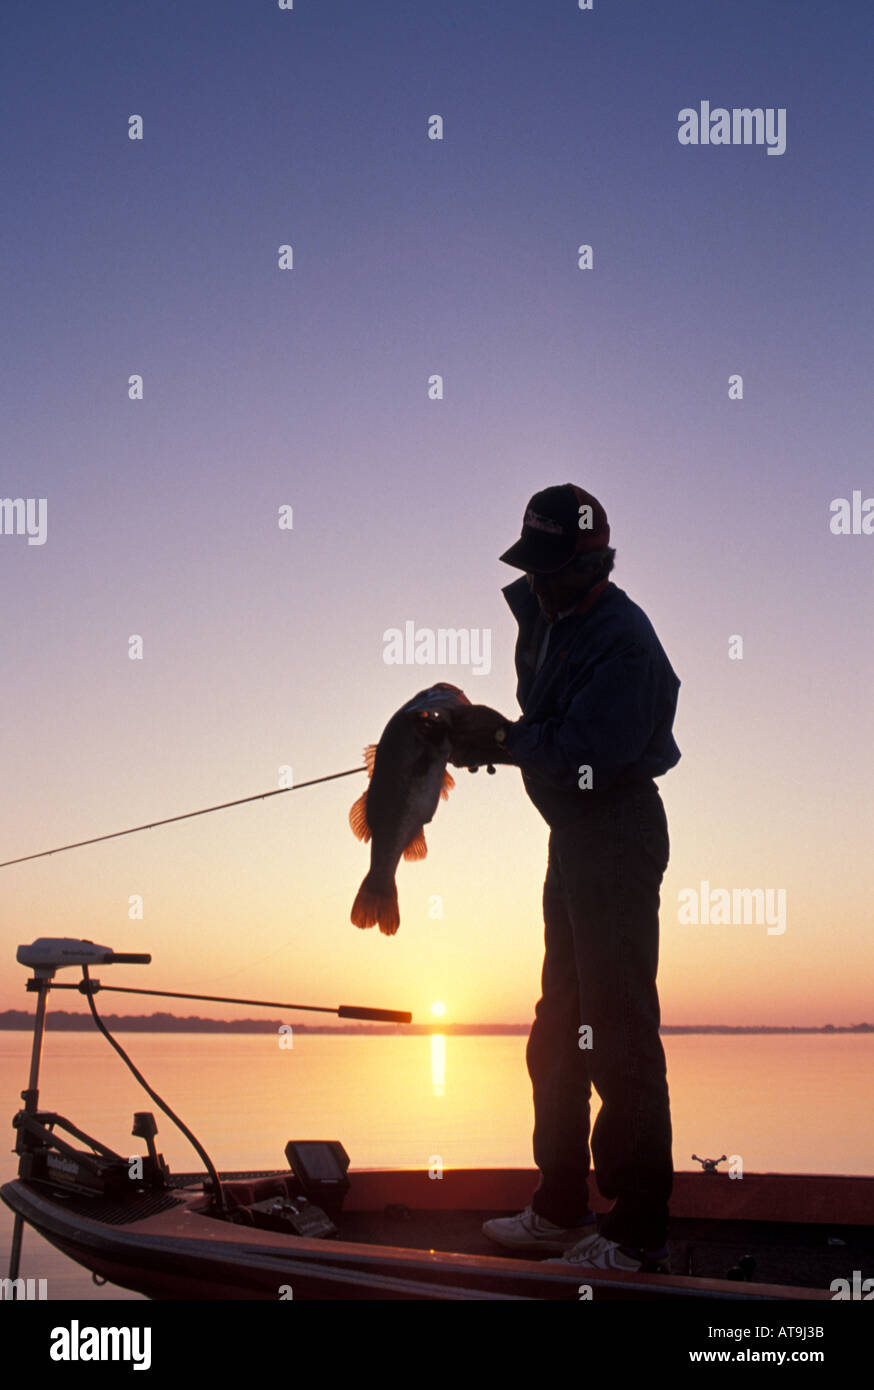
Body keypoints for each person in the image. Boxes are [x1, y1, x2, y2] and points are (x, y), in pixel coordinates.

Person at [449, 484, 681, 1273]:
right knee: (560, 1026)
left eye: (555, 568)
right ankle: (559, 1206)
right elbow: (544, 731)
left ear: (596, 559)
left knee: (618, 1028)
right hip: (571, 842)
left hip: (615, 836)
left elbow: (588, 757)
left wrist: (509, 740)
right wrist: (493, 739)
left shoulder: (625, 641)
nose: (540, 582)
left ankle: (638, 1231)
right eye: (532, 565)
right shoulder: (545, 619)